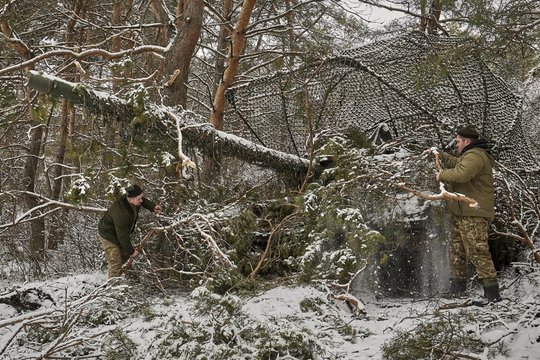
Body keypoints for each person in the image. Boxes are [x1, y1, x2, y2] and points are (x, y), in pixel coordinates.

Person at [434, 125, 501, 303]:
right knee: (458, 251)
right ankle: (457, 289)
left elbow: (461, 174)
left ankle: (492, 293)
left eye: (457, 141)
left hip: (474, 213)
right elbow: (458, 164)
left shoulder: (476, 155)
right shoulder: (469, 156)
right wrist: (441, 155)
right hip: (463, 213)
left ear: (467, 141)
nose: (456, 145)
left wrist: (442, 175)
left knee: (478, 251)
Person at [98, 184, 162, 279]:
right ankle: (112, 289)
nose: (141, 200)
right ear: (130, 199)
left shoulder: (134, 200)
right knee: (116, 263)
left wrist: (153, 207)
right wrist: (132, 252)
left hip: (118, 233)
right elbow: (122, 236)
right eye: (139, 199)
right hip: (108, 235)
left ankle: (108, 269)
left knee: (124, 255)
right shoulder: (121, 212)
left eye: (141, 198)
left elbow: (143, 200)